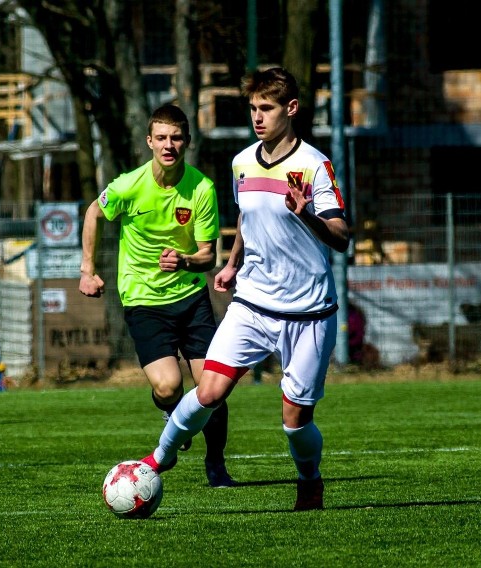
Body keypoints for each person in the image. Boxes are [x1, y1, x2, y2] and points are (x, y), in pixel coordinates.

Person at [141, 67, 350, 510]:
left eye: (267, 108)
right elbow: (248, 223)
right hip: (252, 303)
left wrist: (305, 213)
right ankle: (153, 463)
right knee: (209, 391)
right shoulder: (241, 162)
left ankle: (309, 479)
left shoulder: (313, 165)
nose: (258, 117)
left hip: (307, 311)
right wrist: (232, 264)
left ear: (290, 109)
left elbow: (341, 235)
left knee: (295, 421)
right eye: (253, 108)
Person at [79, 103, 234, 488]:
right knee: (167, 386)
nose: (169, 145)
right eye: (162, 138)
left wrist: (184, 261)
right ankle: (171, 412)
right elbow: (93, 213)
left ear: (187, 142)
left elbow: (207, 256)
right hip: (144, 301)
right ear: (149, 141)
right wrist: (88, 270)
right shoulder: (128, 185)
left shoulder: (201, 188)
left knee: (212, 388)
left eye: (176, 137)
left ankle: (215, 463)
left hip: (191, 299)